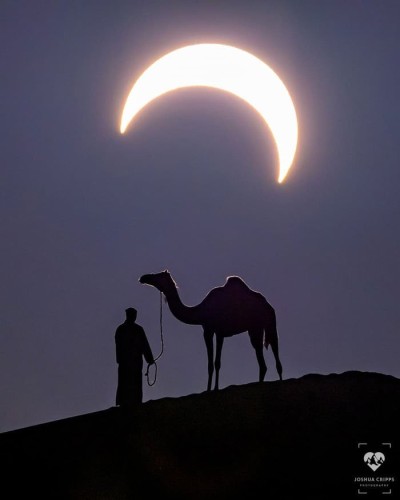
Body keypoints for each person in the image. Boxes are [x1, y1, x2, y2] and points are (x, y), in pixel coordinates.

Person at [115, 307, 154, 408]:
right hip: (128, 362)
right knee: (127, 381)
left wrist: (149, 358)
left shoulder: (130, 329)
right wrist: (149, 358)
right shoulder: (124, 329)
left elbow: (144, 345)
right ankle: (126, 401)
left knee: (133, 381)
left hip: (133, 362)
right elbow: (119, 346)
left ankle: (133, 401)